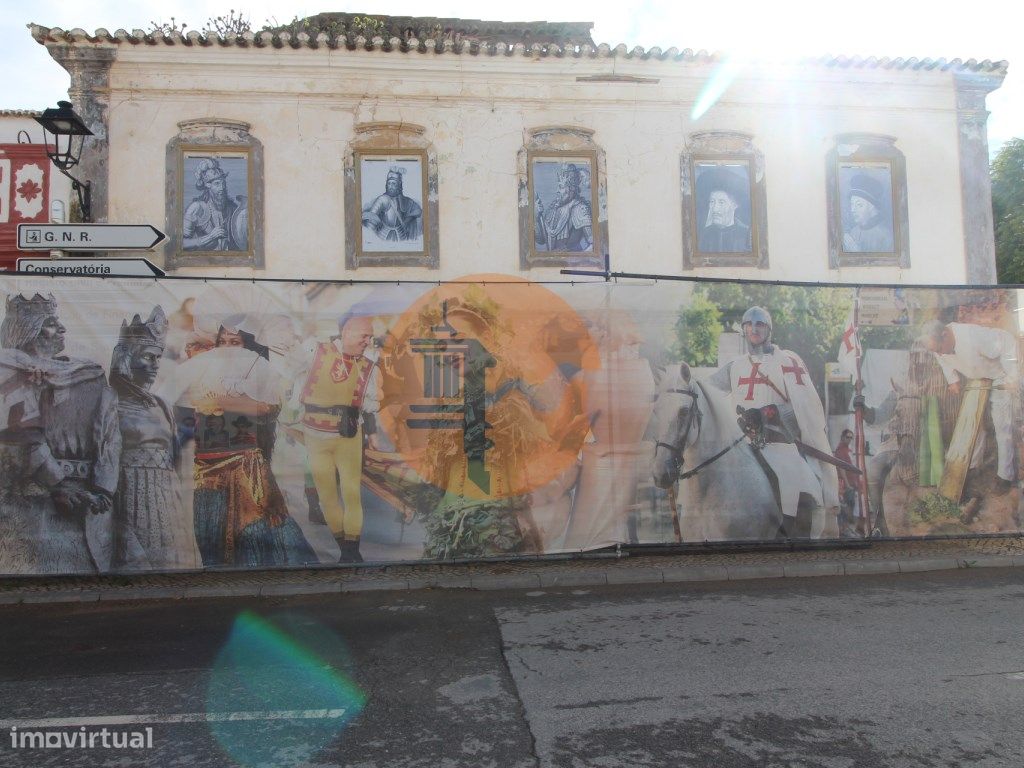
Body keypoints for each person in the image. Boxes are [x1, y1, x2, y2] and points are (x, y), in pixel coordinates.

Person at [0, 293, 121, 574]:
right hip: (35, 498)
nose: (63, 329)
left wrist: (104, 488)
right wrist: (57, 483)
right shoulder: (8, 370)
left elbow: (109, 437)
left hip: (89, 497)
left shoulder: (86, 373)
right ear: (29, 328)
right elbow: (22, 436)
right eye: (52, 323)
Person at [709, 306, 839, 537]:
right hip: (743, 446)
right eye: (749, 324)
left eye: (760, 324)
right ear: (744, 329)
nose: (754, 329)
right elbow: (707, 391)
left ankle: (796, 534)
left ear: (769, 329)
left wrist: (769, 412)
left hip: (779, 443)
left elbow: (803, 406)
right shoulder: (735, 366)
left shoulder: (787, 360)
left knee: (798, 483)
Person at [190, 326, 314, 567]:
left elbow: (266, 407)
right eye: (222, 342)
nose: (227, 348)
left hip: (246, 466)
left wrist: (222, 401)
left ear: (247, 346)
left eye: (234, 342)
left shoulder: (260, 374)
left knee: (256, 530)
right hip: (207, 469)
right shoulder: (204, 371)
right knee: (212, 539)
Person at [109, 306, 198, 570]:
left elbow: (175, 456)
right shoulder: (109, 401)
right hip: (128, 491)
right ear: (127, 358)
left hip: (165, 495)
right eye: (148, 356)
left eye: (158, 357)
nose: (155, 365)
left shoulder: (161, 404)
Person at [294, 314, 381, 563]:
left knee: (352, 493)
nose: (368, 341)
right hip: (315, 435)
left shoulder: (368, 366)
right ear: (346, 332)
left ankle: (352, 551)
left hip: (349, 435)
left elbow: (373, 404)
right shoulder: (315, 351)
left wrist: (354, 402)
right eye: (364, 335)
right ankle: (344, 548)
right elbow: (291, 373)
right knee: (327, 495)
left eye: (370, 337)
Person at [919, 320, 1016, 492]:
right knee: (973, 422)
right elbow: (942, 360)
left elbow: (1007, 341)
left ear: (945, 335)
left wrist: (1012, 376)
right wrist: (953, 380)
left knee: (1002, 425)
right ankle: (973, 466)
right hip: (977, 378)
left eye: (939, 349)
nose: (939, 354)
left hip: (999, 375)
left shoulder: (973, 336)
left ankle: (1005, 476)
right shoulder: (939, 346)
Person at [183, 157, 247, 251]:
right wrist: (210, 237)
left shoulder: (232, 208)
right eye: (217, 184)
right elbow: (181, 243)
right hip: (203, 262)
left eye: (223, 183)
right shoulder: (196, 208)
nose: (222, 188)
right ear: (208, 185)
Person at [535, 163, 593, 252]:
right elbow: (541, 240)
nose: (557, 191)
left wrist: (579, 258)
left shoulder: (580, 208)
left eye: (561, 187)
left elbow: (593, 244)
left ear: (571, 189)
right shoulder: (553, 209)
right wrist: (538, 218)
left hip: (572, 262)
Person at [361, 166, 423, 242]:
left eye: (393, 184)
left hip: (401, 236)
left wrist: (407, 219)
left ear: (399, 186)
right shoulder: (383, 199)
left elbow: (418, 210)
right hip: (383, 236)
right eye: (389, 183)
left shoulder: (405, 200)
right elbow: (371, 218)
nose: (390, 186)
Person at [698, 168, 751, 253]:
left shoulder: (747, 234)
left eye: (721, 202)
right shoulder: (704, 235)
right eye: (712, 202)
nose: (715, 209)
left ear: (734, 205)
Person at [842, 174, 893, 253]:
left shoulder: (885, 236)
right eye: (852, 204)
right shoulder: (854, 232)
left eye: (859, 205)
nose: (852, 210)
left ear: (872, 207)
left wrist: (855, 251)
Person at [834, 429, 861, 537]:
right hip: (845, 485)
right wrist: (848, 484)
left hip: (850, 484)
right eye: (847, 437)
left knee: (849, 506)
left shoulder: (847, 450)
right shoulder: (840, 450)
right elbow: (841, 468)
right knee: (846, 508)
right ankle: (844, 529)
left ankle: (847, 529)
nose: (849, 439)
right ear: (842, 437)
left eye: (851, 437)